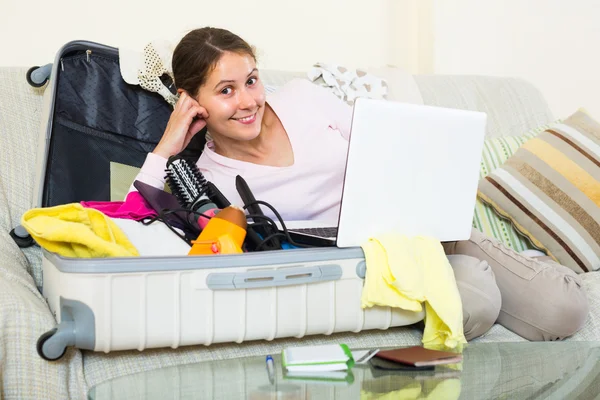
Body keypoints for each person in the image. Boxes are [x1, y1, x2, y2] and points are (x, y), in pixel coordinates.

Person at [132, 27, 589, 341]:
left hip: (421, 227)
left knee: (562, 308)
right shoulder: (209, 178)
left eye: (251, 80)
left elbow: (386, 144)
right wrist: (167, 145)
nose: (248, 101)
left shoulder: (303, 98)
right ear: (192, 102)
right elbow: (133, 222)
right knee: (475, 298)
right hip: (367, 264)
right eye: (226, 90)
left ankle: (517, 261)